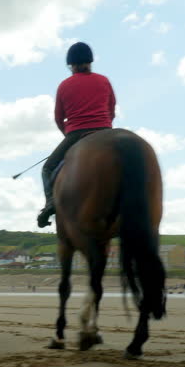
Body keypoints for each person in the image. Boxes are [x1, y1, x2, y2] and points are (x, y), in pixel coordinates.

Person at [37, 42, 116, 228]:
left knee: (47, 169)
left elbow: (58, 118)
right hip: (104, 131)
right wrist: (104, 127)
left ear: (70, 65)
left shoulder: (64, 85)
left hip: (76, 133)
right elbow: (111, 110)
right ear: (90, 61)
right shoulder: (104, 80)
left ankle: (50, 204)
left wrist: (68, 135)